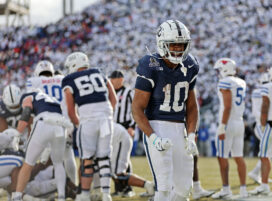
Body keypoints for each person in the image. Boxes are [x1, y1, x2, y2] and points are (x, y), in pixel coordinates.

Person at [132, 19, 199, 201]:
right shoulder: (151, 64)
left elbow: (191, 105)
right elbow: (137, 108)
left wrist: (191, 135)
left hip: (180, 129)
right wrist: (153, 138)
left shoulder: (190, 65)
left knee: (184, 190)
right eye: (173, 44)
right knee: (163, 188)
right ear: (162, 44)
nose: (177, 49)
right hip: (157, 126)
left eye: (181, 45)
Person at [62, 51, 117, 201]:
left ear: (73, 65)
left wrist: (80, 123)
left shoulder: (69, 79)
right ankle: (106, 194)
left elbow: (71, 111)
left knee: (87, 159)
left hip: (88, 121)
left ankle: (85, 194)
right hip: (106, 118)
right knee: (105, 157)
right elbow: (114, 98)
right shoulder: (99, 72)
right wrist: (107, 115)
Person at [26, 60, 78, 186]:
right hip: (64, 122)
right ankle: (73, 185)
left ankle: (40, 185)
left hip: (46, 122)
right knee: (67, 154)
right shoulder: (62, 78)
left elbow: (30, 108)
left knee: (43, 159)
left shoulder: (34, 82)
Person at [11, 90, 69, 201]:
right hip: (61, 124)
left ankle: (17, 197)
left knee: (28, 164)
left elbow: (26, 114)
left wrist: (16, 135)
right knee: (58, 163)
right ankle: (62, 197)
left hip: (44, 122)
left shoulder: (28, 95)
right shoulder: (50, 99)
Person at [212, 58, 248, 199]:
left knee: (222, 157)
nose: (218, 73)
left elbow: (227, 106)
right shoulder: (241, 82)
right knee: (239, 157)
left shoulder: (225, 82)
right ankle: (243, 190)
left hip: (228, 123)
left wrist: (222, 126)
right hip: (239, 122)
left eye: (219, 70)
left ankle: (226, 189)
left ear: (224, 69)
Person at [109, 70, 137, 196]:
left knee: (124, 159)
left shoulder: (129, 92)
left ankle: (128, 188)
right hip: (113, 129)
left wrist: (132, 126)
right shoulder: (109, 93)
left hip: (125, 127)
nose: (111, 81)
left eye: (113, 79)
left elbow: (136, 110)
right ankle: (119, 188)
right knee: (115, 158)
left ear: (121, 79)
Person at [250, 68, 272, 195]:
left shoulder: (266, 87)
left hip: (269, 124)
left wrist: (263, 123)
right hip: (266, 124)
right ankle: (260, 180)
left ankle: (264, 185)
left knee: (264, 155)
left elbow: (264, 106)